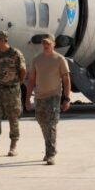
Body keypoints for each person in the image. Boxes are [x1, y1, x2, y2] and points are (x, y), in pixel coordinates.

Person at [26, 34, 71, 165]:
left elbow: (66, 79)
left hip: (54, 96)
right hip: (40, 96)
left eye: (48, 43)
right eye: (44, 43)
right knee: (42, 122)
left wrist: (66, 98)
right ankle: (51, 145)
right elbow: (32, 80)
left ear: (53, 44)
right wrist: (28, 98)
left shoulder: (59, 59)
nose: (45, 46)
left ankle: (50, 153)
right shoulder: (37, 59)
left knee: (51, 124)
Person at [0, 30, 26, 157]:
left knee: (13, 117)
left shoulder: (15, 53)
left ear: (3, 40)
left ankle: (13, 145)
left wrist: (16, 83)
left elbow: (22, 70)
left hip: (12, 90)